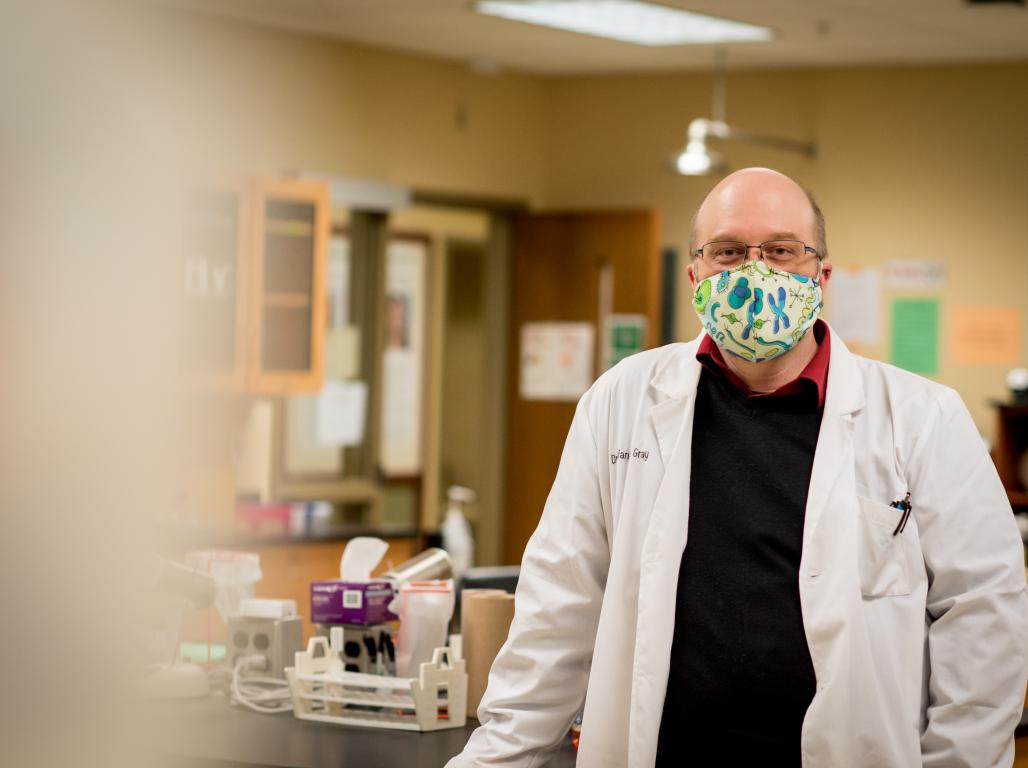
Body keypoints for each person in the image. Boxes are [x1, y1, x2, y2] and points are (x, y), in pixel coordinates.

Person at [446, 168, 1027, 767]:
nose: (756, 271)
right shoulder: (621, 401)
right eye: (727, 252)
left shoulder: (922, 418)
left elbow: (983, 615)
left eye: (782, 250)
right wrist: (497, 755)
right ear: (695, 276)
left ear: (821, 276)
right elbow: (559, 603)